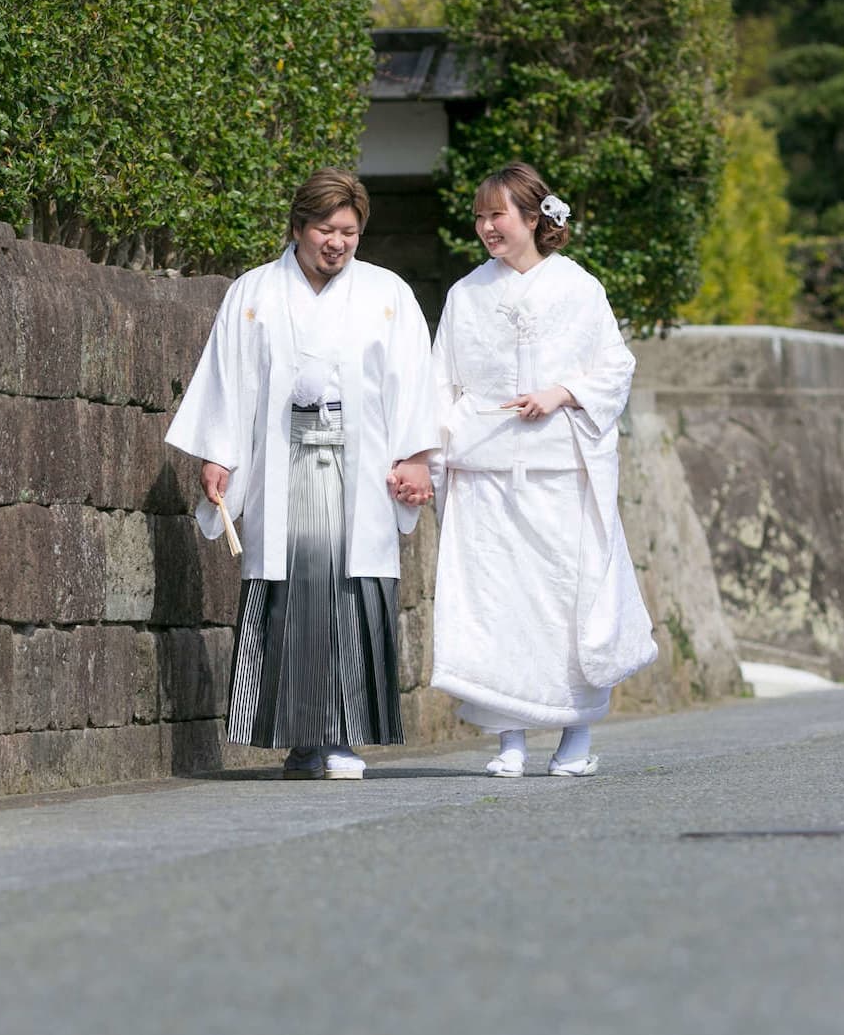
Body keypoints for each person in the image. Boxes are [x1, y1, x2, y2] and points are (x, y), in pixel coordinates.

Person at [166, 168, 438, 780]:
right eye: (326, 229)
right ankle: (298, 736)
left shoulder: (387, 293)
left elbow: (412, 383)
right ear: (297, 228)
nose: (337, 242)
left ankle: (341, 735)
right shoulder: (254, 291)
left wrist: (415, 456)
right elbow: (230, 383)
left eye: (350, 231)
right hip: (281, 460)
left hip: (358, 462)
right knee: (291, 595)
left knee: (350, 591)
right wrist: (219, 454)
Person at [429, 161, 657, 776]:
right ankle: (508, 738)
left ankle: (576, 736)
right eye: (479, 216)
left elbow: (615, 366)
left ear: (533, 218)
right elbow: (440, 383)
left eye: (497, 214)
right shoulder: (466, 293)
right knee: (497, 602)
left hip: (560, 470)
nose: (485, 227)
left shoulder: (579, 288)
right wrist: (431, 453)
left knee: (565, 600)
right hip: (487, 472)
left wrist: (561, 392)